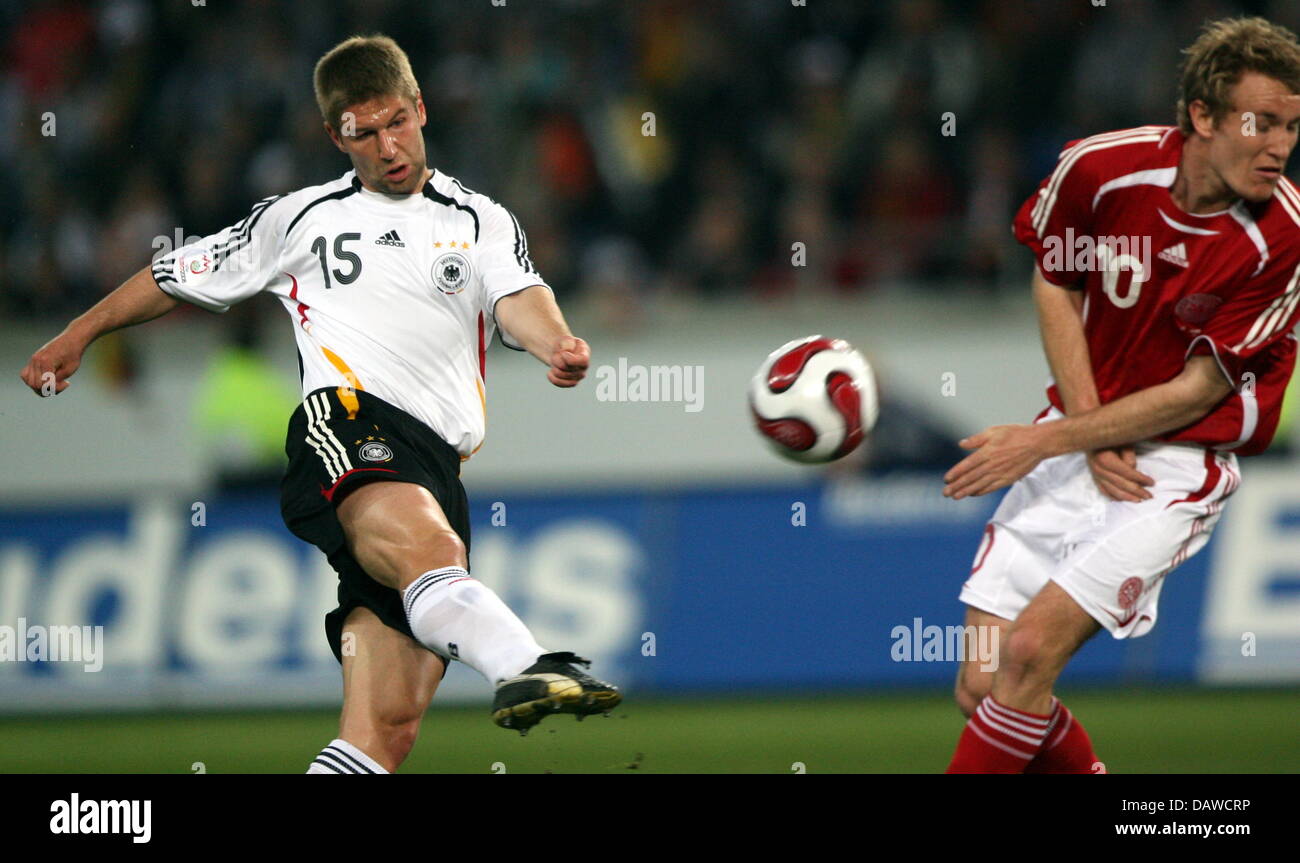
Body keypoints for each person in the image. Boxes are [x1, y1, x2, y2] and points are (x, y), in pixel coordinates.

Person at [20, 35, 620, 775]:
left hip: (437, 464)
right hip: (347, 423)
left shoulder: (478, 218)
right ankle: (526, 662)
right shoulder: (299, 219)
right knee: (432, 552)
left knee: (384, 730)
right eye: (362, 132)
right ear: (336, 136)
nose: (387, 146)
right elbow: (173, 272)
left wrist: (557, 341)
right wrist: (79, 333)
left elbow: (520, 294)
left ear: (421, 109)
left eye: (397, 121)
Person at [940, 17, 1300, 773]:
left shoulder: (1283, 237)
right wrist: (1083, 430)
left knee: (1030, 652)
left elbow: (1194, 392)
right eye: (1261, 123)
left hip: (1174, 467)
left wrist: (1043, 440)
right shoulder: (1099, 168)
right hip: (1078, 432)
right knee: (983, 681)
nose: (1280, 146)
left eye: (1293, 127)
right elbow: (1056, 279)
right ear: (1202, 115)